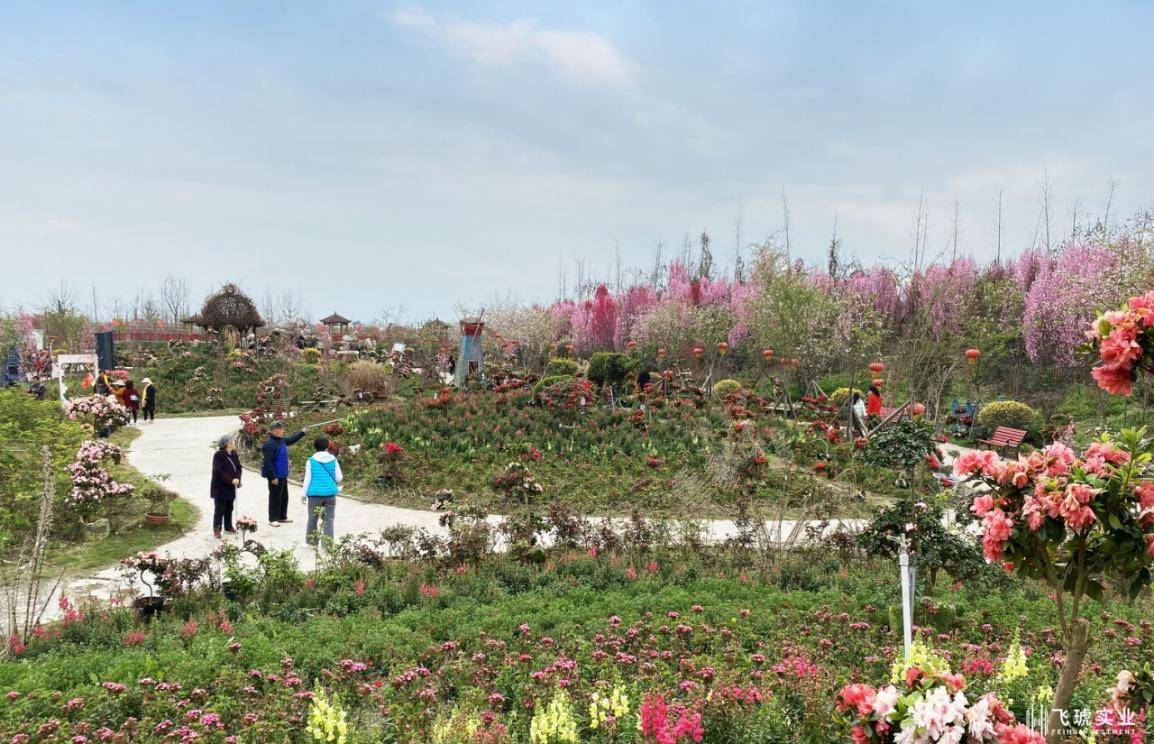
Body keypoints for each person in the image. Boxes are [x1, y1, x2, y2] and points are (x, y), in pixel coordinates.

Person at [260, 420, 305, 527]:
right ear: (275, 430)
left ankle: (282, 516)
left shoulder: (281, 440)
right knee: (275, 496)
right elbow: (268, 462)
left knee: (284, 496)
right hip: (275, 475)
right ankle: (273, 518)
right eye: (281, 429)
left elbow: (291, 439)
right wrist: (272, 477)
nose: (283, 431)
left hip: (283, 474)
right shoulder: (269, 444)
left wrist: (302, 432)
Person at [301, 436, 343, 547]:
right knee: (328, 519)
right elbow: (339, 478)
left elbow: (307, 479)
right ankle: (327, 544)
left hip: (315, 495)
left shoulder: (311, 461)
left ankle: (311, 542)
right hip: (330, 494)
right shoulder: (333, 459)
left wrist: (303, 494)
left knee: (312, 518)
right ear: (327, 447)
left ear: (315, 447)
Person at [211, 435, 243, 538]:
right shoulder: (218, 455)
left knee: (229, 508)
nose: (234, 443)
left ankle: (228, 527)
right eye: (233, 441)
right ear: (228, 444)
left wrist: (238, 479)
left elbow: (238, 468)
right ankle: (217, 529)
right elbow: (218, 471)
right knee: (219, 510)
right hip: (220, 488)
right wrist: (231, 480)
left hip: (231, 487)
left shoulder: (234, 454)